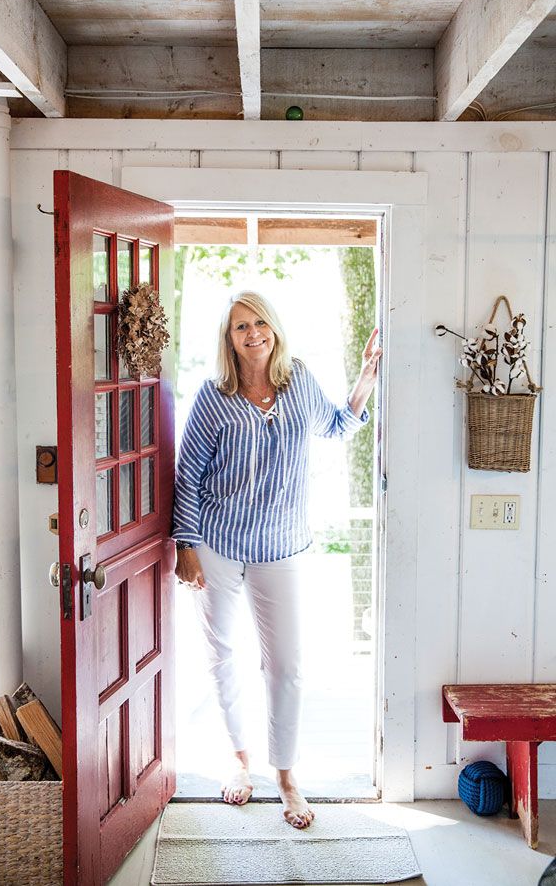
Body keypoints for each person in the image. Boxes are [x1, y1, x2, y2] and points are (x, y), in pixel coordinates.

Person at [173, 290, 381, 829]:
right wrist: (186, 546)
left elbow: (336, 426)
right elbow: (189, 474)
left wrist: (365, 380)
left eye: (260, 322)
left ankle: (286, 776)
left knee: (286, 666)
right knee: (223, 656)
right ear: (229, 339)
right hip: (217, 544)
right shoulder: (213, 396)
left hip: (281, 545)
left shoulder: (298, 381)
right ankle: (239, 762)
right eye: (241, 326)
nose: (253, 334)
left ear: (275, 328)